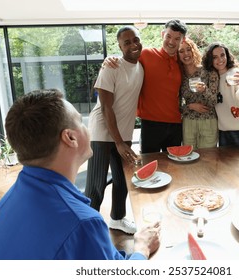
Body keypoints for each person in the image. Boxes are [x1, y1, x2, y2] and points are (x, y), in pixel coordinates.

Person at [0, 89, 161, 260]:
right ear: (70, 138)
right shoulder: (83, 224)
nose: (86, 126)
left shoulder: (8, 202)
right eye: (80, 121)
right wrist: (142, 248)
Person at [85, 26, 143, 235]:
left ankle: (117, 218)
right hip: (103, 131)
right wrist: (118, 141)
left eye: (135, 39)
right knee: (96, 184)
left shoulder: (140, 66)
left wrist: (122, 140)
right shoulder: (112, 66)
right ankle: (88, 229)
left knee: (123, 180)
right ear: (119, 46)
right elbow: (106, 106)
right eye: (127, 42)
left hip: (123, 133)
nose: (133, 44)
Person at [105, 19, 188, 153]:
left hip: (175, 124)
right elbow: (126, 59)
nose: (172, 42)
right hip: (150, 124)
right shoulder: (146, 54)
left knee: (174, 166)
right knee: (150, 166)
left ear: (182, 40)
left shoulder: (182, 62)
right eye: (168, 36)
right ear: (162, 34)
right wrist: (110, 58)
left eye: (177, 38)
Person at [202, 42, 239, 155]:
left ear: (227, 56)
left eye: (222, 55)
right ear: (210, 60)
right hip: (224, 132)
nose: (220, 60)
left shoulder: (236, 74)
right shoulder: (211, 78)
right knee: (226, 169)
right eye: (215, 57)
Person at [178, 37, 219, 148]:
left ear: (193, 50)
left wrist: (205, 90)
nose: (186, 53)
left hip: (208, 122)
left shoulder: (209, 71)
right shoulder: (178, 76)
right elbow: (176, 107)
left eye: (188, 49)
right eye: (181, 51)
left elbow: (215, 101)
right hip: (188, 123)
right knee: (189, 160)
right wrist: (191, 106)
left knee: (208, 161)